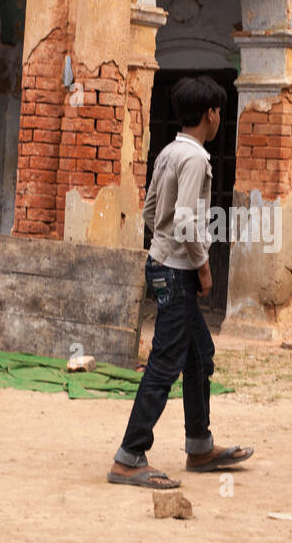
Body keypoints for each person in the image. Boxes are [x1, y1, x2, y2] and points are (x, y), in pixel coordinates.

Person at [108, 75, 253, 489]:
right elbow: (188, 220)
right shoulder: (196, 160)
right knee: (166, 361)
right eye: (219, 112)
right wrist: (203, 267)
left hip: (162, 263)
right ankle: (129, 456)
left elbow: (153, 213)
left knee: (197, 356)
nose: (219, 118)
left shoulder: (169, 152)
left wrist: (168, 244)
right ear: (210, 114)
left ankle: (199, 445)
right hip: (177, 272)